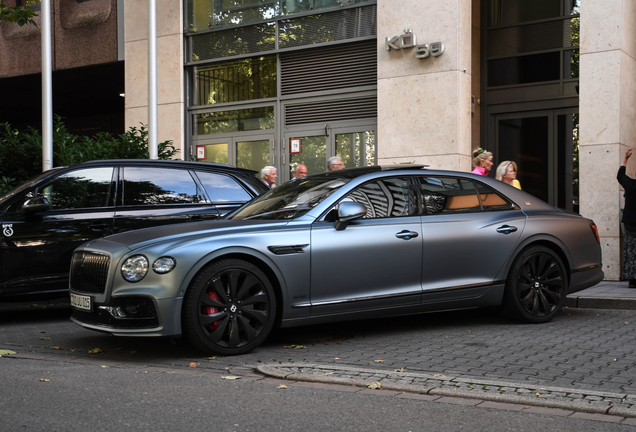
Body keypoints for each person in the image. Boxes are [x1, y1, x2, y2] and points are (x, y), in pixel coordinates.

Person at [618, 147, 636, 287]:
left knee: (630, 250)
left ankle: (632, 280)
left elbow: (620, 175)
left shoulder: (630, 185)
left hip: (630, 223)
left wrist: (626, 159)